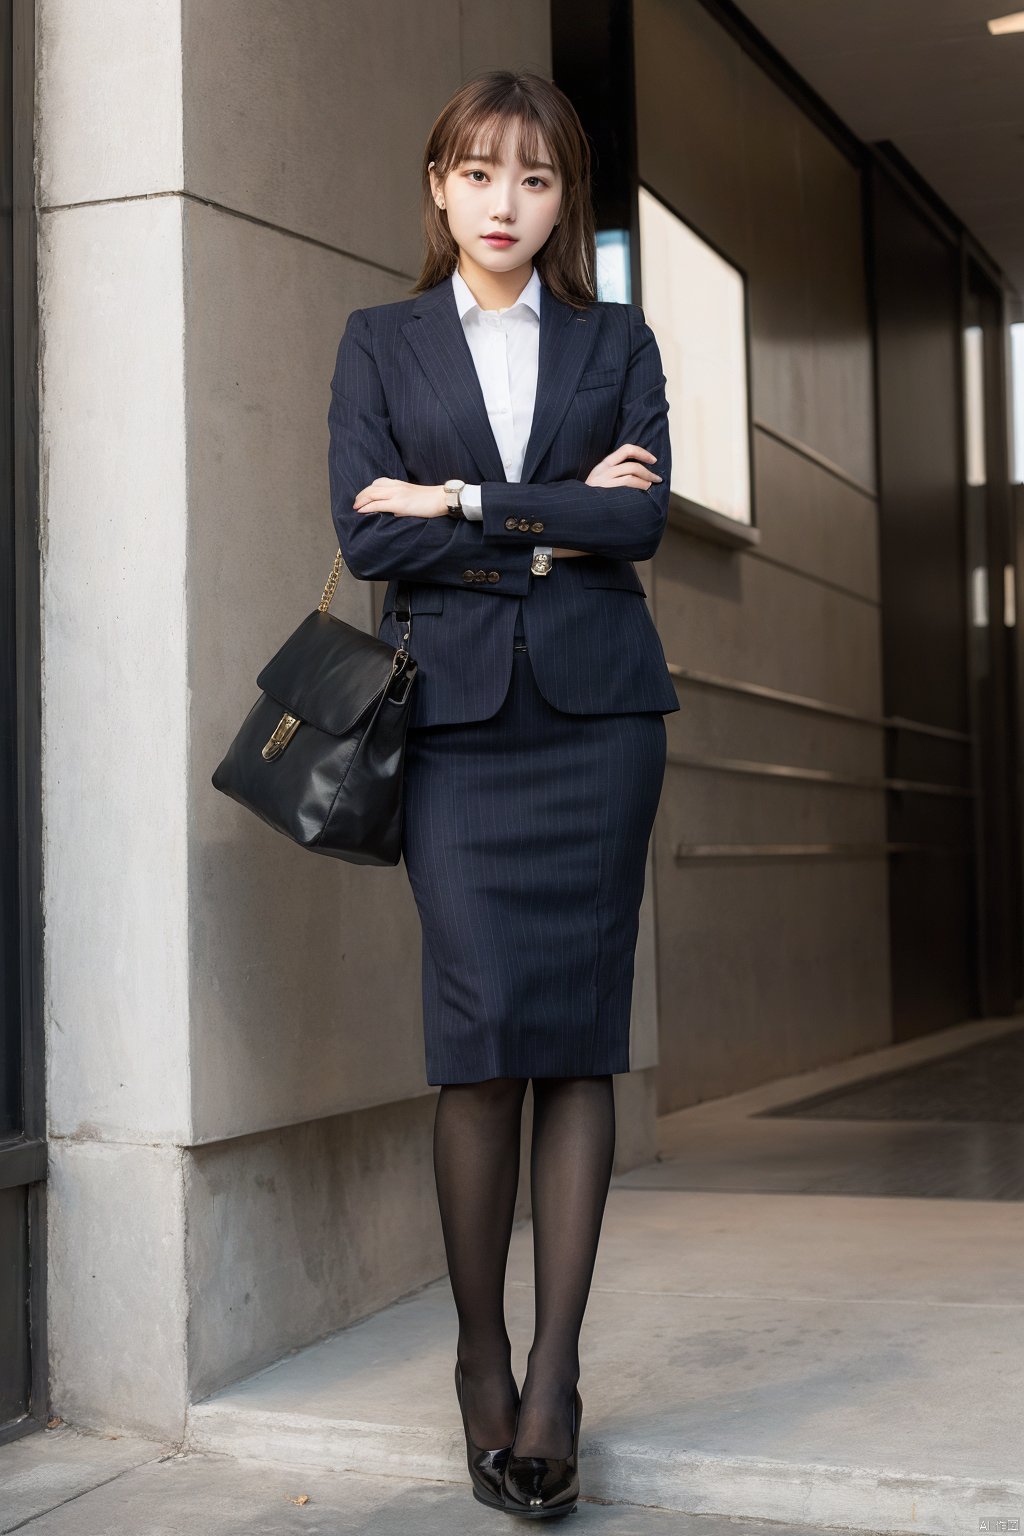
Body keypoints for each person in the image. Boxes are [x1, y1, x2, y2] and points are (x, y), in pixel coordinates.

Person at [327, 68, 679, 1519]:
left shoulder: (616, 339)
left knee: (578, 1047)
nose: (504, 204)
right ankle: (479, 1357)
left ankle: (554, 1381)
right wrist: (554, 524)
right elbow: (361, 536)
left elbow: (640, 518)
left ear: (562, 199)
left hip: (598, 724)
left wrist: (465, 503)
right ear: (437, 185)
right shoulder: (379, 343)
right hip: (461, 733)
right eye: (478, 174)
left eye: (533, 180)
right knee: (478, 1044)